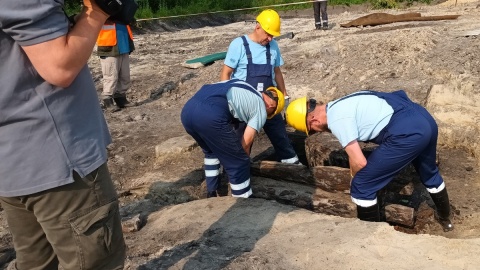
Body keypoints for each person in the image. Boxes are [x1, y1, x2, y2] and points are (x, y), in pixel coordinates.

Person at [0, 1, 126, 269]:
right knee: (96, 261)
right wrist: (100, 10)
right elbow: (60, 66)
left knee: (36, 263)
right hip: (59, 162)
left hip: (11, 162)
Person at [285, 90, 454, 231]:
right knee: (429, 172)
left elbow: (360, 162)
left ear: (313, 120)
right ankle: (446, 220)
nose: (317, 133)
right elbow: (354, 154)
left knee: (362, 187)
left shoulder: (337, 120)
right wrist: (353, 174)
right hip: (424, 119)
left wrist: (355, 182)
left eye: (312, 131)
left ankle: (371, 235)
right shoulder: (340, 104)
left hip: (407, 132)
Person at [220, 9, 301, 165]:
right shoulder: (239, 45)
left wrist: (284, 95)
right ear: (257, 27)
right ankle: (237, 174)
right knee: (241, 142)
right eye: (268, 34)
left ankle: (293, 166)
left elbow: (277, 72)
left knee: (281, 137)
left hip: (270, 103)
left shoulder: (273, 46)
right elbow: (226, 73)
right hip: (243, 105)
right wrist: (227, 99)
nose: (270, 38)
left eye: (273, 35)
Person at [181, 79, 285, 198]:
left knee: (211, 152)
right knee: (239, 161)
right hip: (211, 115)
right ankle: (243, 201)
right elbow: (246, 143)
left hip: (187, 111)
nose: (267, 116)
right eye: (270, 114)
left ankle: (211, 192)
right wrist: (240, 162)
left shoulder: (244, 85)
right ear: (272, 106)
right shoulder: (261, 108)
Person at [97, 19, 135, 112]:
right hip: (109, 46)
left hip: (124, 46)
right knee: (111, 76)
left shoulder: (122, 11)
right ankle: (107, 99)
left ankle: (120, 98)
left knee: (125, 75)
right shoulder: (103, 9)